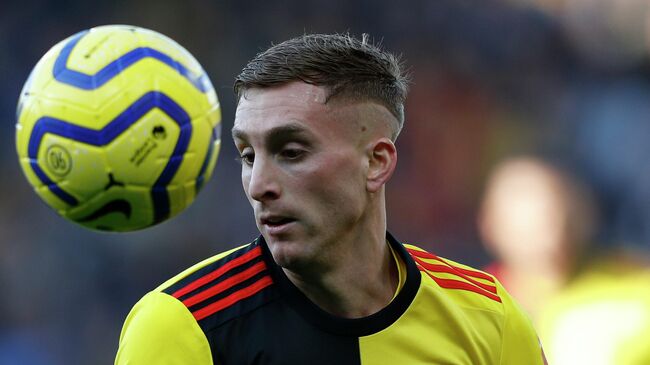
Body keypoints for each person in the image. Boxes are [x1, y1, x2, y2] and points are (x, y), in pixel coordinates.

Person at [115, 33, 546, 364]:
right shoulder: (182, 325)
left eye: (291, 152)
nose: (258, 183)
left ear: (377, 162)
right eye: (248, 155)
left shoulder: (488, 317)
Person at [479, 156, 650, 364]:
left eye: (558, 214)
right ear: (490, 225)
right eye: (533, 224)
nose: (553, 235)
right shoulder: (472, 307)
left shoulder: (631, 287)